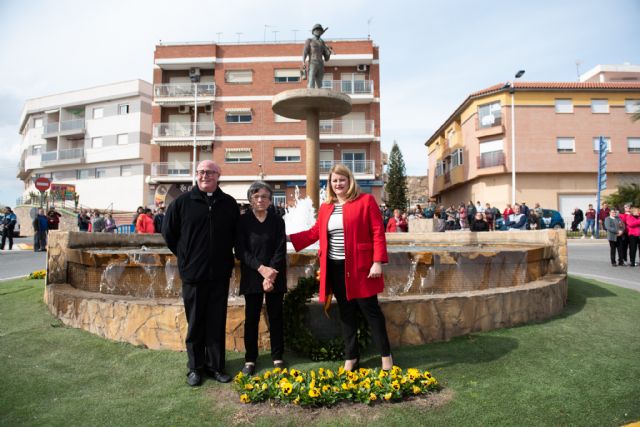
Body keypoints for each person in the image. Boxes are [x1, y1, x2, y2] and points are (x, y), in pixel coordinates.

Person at [288, 164, 393, 371]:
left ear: (349, 180)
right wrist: (287, 238)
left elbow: (377, 232)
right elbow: (314, 232)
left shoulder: (365, 201)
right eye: (334, 181)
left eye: (341, 180)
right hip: (334, 268)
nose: (338, 184)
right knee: (346, 313)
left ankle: (386, 356)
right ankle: (351, 357)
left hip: (361, 267)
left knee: (371, 312)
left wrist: (377, 262)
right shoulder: (327, 207)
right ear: (330, 184)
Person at [162, 160, 239, 387]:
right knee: (195, 322)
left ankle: (216, 367)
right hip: (193, 274)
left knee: (216, 322)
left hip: (219, 274)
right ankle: (195, 368)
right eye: (201, 172)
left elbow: (236, 235)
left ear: (218, 175)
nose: (205, 175)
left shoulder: (229, 204)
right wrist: (185, 257)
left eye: (210, 172)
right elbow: (169, 233)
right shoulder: (182, 203)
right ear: (196, 175)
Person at [235, 181, 287, 375]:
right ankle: (250, 359)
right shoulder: (243, 221)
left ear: (270, 199)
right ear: (250, 199)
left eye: (264, 196)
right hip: (252, 275)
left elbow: (280, 248)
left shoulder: (277, 220)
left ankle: (277, 356)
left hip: (275, 275)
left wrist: (271, 272)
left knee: (276, 317)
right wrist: (261, 269)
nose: (260, 200)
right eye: (256, 196)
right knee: (251, 318)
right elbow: (241, 250)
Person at [302, 24, 332, 89]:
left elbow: (326, 58)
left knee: (319, 83)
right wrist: (303, 62)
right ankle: (310, 95)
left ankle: (319, 97)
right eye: (317, 29)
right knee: (311, 80)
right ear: (313, 31)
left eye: (320, 30)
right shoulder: (309, 41)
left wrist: (329, 52)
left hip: (321, 64)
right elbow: (305, 52)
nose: (318, 31)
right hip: (312, 62)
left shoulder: (322, 43)